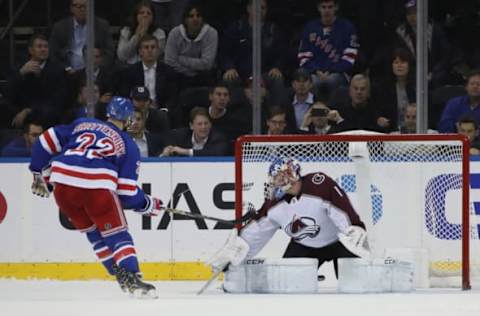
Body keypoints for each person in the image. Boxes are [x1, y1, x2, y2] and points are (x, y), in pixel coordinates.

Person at [28, 97, 164, 298]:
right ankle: (132, 278)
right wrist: (147, 204)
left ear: (108, 114)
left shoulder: (82, 124)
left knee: (95, 235)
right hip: (96, 188)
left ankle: (119, 275)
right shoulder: (128, 145)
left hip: (63, 187)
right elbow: (126, 193)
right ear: (127, 120)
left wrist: (37, 172)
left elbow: (45, 140)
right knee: (117, 235)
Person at [209, 157, 369, 278]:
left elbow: (342, 209)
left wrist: (353, 227)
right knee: (288, 281)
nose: (277, 181)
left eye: (281, 175)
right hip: (303, 246)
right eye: (275, 177)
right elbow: (258, 230)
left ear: (293, 174)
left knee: (354, 281)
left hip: (338, 242)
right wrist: (238, 249)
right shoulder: (274, 204)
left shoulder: (318, 185)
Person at [219, 0, 287, 105]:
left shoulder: (273, 30)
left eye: (263, 8)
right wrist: (229, 67)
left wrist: (277, 67)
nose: (259, 10)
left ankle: (277, 114)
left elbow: (282, 54)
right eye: (256, 7)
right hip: (240, 73)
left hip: (264, 74)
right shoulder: (236, 27)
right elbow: (224, 53)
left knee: (277, 79)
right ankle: (229, 114)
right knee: (228, 79)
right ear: (248, 9)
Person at [298, 0, 359, 99]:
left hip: (339, 74)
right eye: (324, 7)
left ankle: (330, 112)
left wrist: (330, 70)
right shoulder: (310, 27)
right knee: (311, 82)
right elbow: (303, 56)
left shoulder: (347, 27)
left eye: (330, 7)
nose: (327, 10)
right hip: (314, 73)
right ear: (319, 8)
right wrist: (316, 70)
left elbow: (350, 58)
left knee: (330, 81)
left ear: (336, 7)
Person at [5, 33, 67, 128]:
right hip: (21, 112)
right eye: (39, 46)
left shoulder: (58, 69)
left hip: (47, 114)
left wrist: (29, 110)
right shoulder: (20, 68)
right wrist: (21, 74)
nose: (43, 49)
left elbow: (58, 99)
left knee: (49, 112)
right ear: (30, 50)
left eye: (46, 47)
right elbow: (8, 93)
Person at [49, 0, 114, 72]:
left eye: (86, 6)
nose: (83, 9)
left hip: (93, 73)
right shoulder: (60, 27)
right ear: (72, 8)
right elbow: (53, 54)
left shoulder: (102, 25)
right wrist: (66, 68)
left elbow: (109, 53)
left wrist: (97, 67)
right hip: (67, 73)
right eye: (79, 6)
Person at [164, 3, 218, 90]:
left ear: (203, 19)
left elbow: (207, 64)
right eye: (191, 16)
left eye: (198, 16)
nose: (195, 19)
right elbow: (169, 61)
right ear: (185, 20)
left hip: (203, 75)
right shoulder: (175, 33)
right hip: (179, 74)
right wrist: (190, 72)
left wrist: (180, 58)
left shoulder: (211, 33)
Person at [161, 106, 228, 156]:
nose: (203, 127)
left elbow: (215, 153)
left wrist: (186, 151)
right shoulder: (180, 136)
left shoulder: (218, 138)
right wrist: (166, 153)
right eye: (199, 124)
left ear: (210, 125)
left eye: (206, 123)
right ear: (191, 126)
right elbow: (169, 147)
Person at [117, 0, 166, 65]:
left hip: (150, 67)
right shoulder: (126, 31)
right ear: (136, 16)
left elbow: (156, 56)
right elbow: (122, 56)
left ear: (153, 17)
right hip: (129, 67)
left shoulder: (159, 33)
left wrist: (144, 36)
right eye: (142, 13)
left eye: (149, 13)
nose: (145, 15)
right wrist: (136, 36)